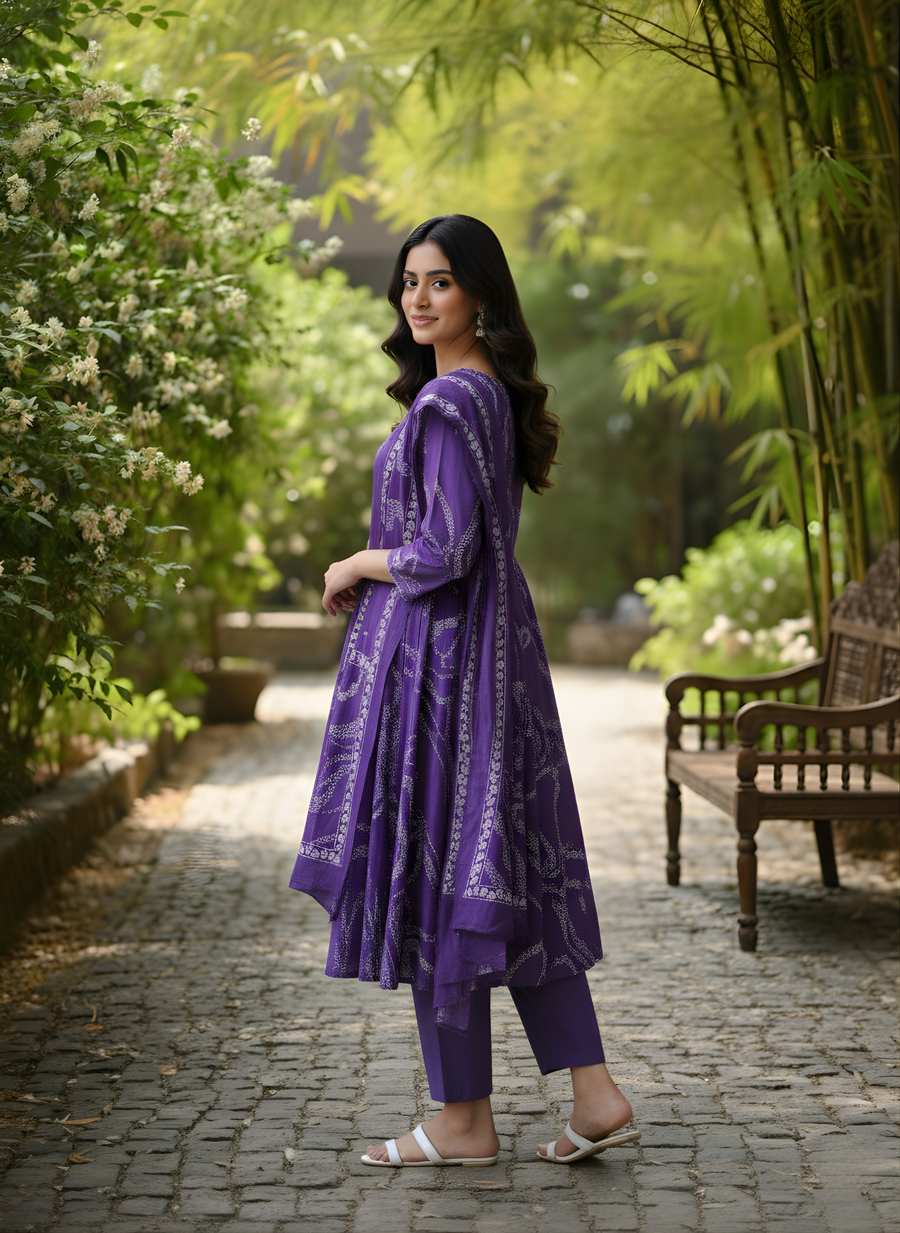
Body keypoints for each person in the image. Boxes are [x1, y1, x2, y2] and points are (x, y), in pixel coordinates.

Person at [290, 214, 639, 1168]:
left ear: (480, 294)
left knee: (442, 875)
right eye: (409, 280)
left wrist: (356, 560)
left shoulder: (451, 405)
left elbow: (443, 552)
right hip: (491, 661)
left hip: (446, 673)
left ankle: (464, 1121)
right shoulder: (477, 396)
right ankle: (594, 1090)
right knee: (502, 877)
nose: (417, 296)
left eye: (439, 281)